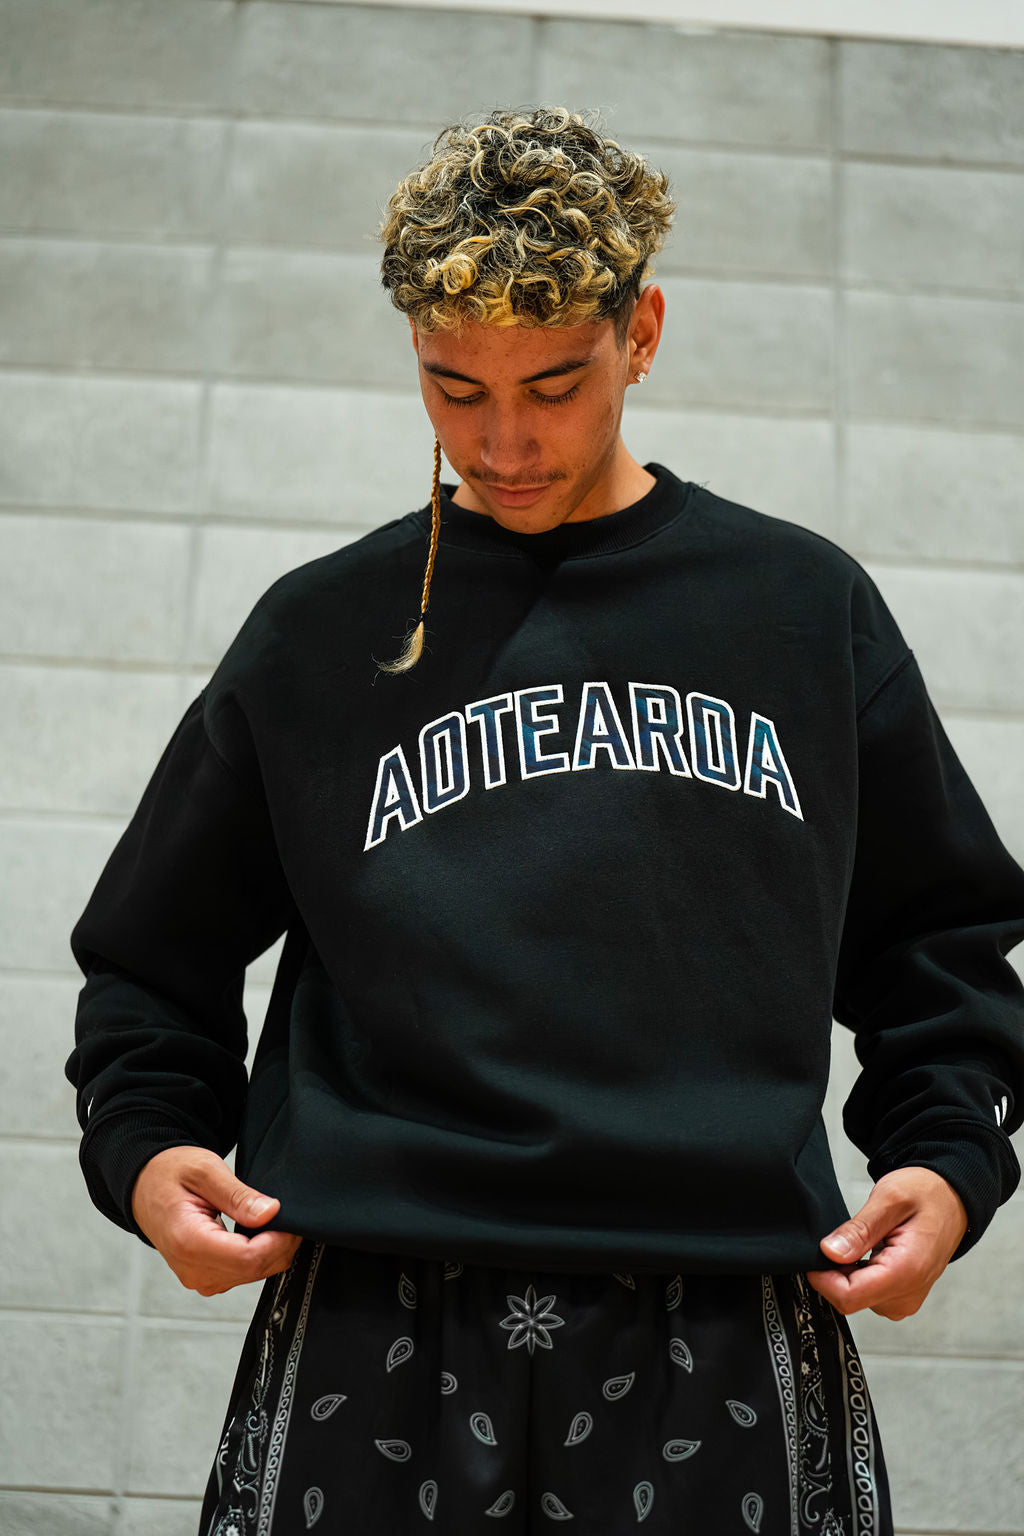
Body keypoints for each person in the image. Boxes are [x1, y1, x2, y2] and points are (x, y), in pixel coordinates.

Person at [65, 107, 1024, 1536]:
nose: (505, 443)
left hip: (724, 1301)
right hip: (374, 1301)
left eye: (556, 384)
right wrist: (146, 1154)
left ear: (641, 331)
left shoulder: (801, 613)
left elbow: (938, 942)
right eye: (456, 391)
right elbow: (151, 963)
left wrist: (947, 1164)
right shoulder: (319, 637)